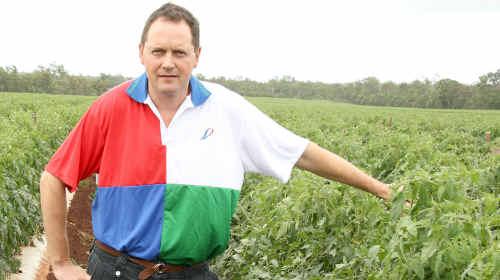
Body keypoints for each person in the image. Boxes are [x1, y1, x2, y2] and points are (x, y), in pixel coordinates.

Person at [40, 3, 392, 280]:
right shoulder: (111, 108)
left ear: (197, 56)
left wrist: (381, 190)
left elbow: (302, 154)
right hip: (117, 272)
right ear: (141, 52)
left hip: (191, 274)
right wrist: (59, 261)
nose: (168, 63)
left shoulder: (226, 109)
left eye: (179, 53)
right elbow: (54, 177)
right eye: (158, 51)